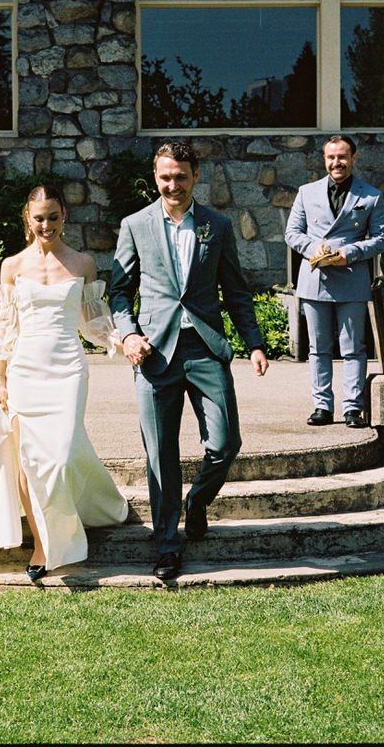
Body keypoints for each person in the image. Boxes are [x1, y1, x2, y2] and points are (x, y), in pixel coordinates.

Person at [0, 185, 130, 582]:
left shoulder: (83, 263)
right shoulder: (12, 266)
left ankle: (76, 515)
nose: (46, 225)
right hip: (24, 370)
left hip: (68, 369)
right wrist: (0, 382)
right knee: (27, 461)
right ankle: (41, 544)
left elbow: (93, 322)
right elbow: (6, 331)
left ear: (64, 215)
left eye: (53, 216)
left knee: (62, 456)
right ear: (27, 220)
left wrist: (124, 341)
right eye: (39, 218)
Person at [109, 142, 270, 581]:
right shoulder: (135, 225)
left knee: (225, 443)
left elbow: (235, 291)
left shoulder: (217, 225)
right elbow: (119, 291)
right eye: (165, 177)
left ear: (196, 175)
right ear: (155, 177)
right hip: (154, 353)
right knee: (160, 457)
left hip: (204, 349)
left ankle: (197, 502)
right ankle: (167, 546)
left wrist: (255, 344)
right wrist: (128, 334)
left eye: (181, 176)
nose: (173, 185)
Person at [284, 134, 384, 429]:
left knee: (353, 347)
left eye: (342, 157)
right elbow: (292, 233)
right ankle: (322, 406)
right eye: (331, 157)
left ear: (354, 158)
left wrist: (351, 253)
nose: (336, 162)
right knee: (318, 347)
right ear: (324, 160)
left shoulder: (370, 196)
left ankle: (353, 408)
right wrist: (312, 247)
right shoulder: (306, 192)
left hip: (351, 277)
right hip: (315, 277)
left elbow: (382, 238)